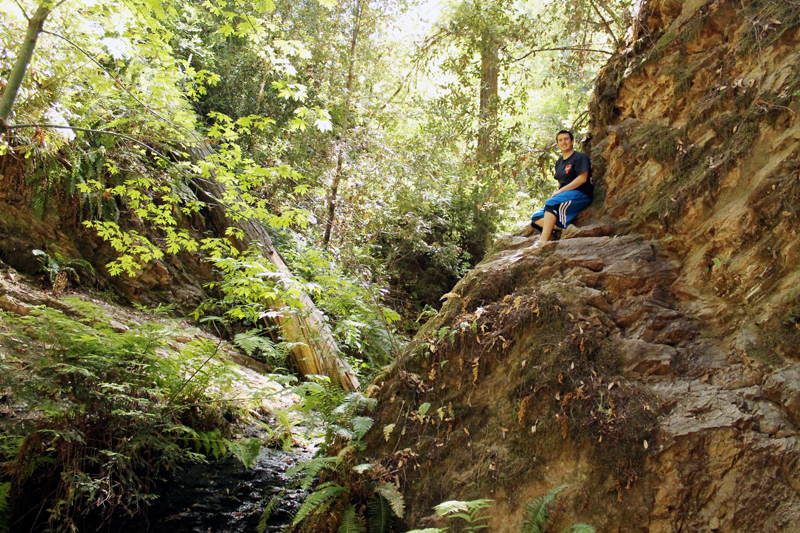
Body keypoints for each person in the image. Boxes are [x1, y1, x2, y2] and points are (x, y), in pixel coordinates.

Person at [525, 130, 593, 243]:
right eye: (560, 140)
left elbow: (582, 178)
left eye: (566, 139)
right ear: (557, 144)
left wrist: (560, 192)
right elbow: (561, 182)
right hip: (565, 195)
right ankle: (567, 229)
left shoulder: (580, 157)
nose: (563, 142)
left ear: (572, 141)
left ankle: (542, 243)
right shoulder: (559, 163)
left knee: (551, 204)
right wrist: (558, 192)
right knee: (536, 217)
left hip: (580, 193)